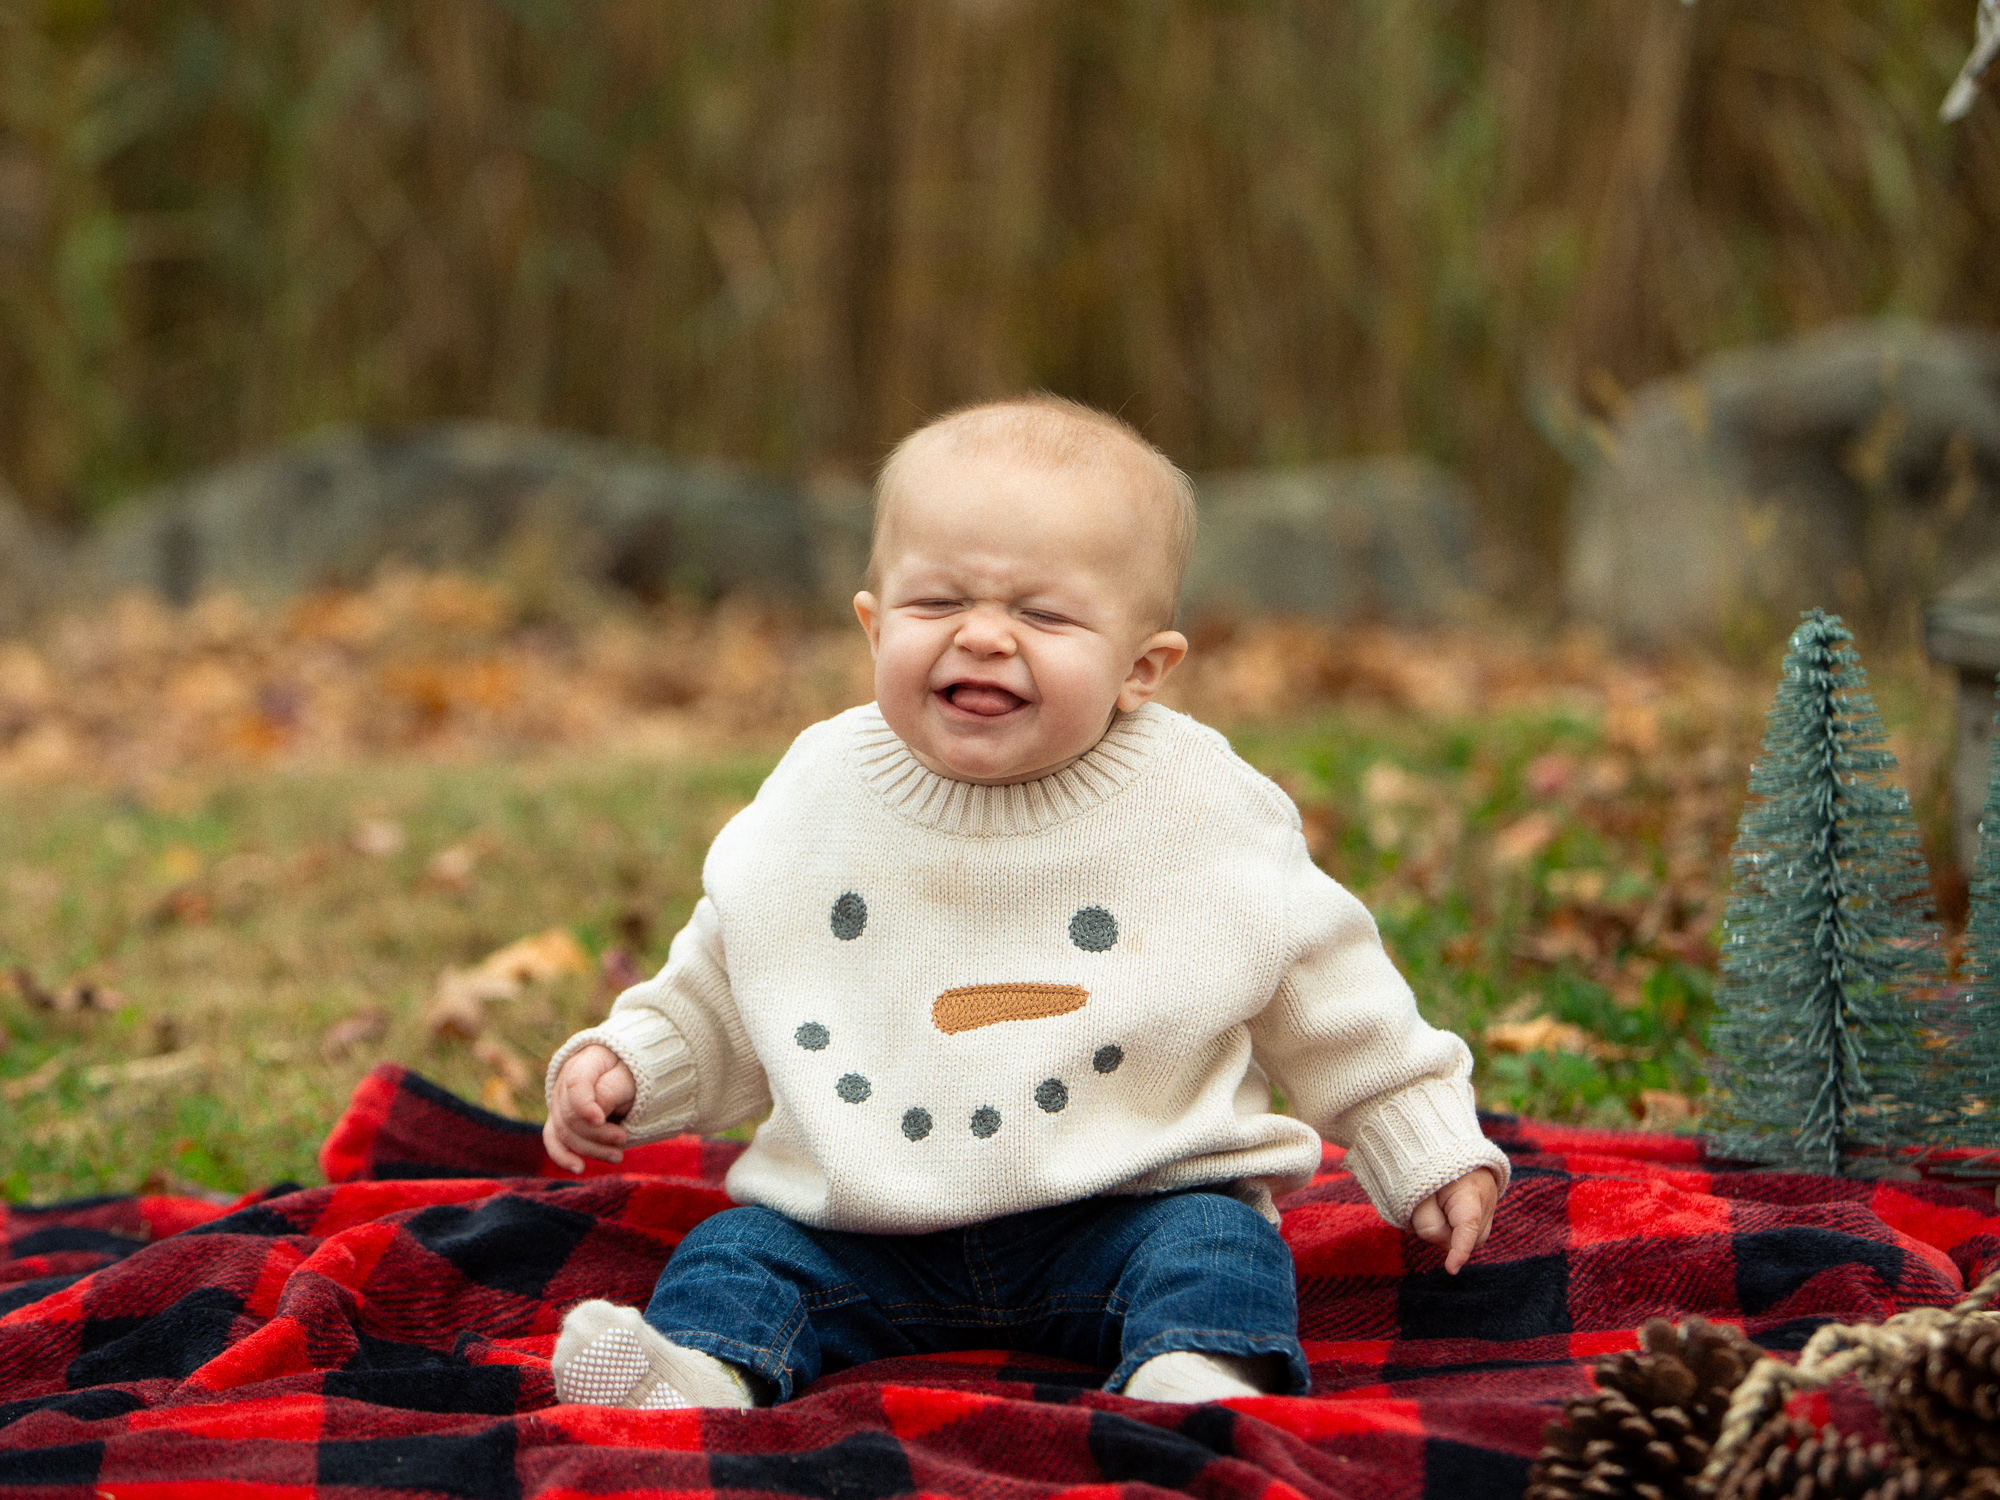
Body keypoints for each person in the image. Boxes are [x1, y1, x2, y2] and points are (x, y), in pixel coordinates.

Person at [541, 395, 1508, 1410]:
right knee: (737, 1251)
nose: (984, 638)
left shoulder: (1198, 807)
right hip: (857, 1230)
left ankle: (1193, 1370)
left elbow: (1329, 991)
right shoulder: (817, 789)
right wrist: (632, 1063)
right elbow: (738, 974)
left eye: (1041, 615)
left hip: (1127, 1206)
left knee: (1218, 1246)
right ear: (872, 625)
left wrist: (1420, 1140)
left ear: (1142, 669)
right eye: (935, 604)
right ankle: (698, 1376)